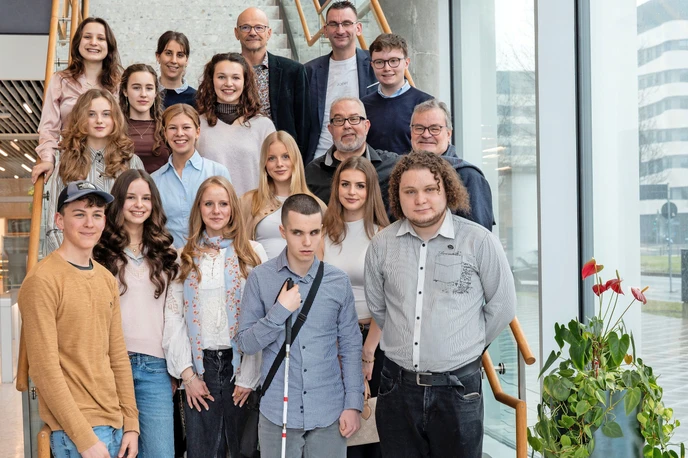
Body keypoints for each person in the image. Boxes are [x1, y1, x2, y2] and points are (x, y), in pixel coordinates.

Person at [364, 152, 516, 458]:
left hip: (458, 390)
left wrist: (465, 344)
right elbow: (379, 308)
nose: (420, 199)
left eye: (430, 189)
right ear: (397, 196)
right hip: (396, 389)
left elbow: (502, 306)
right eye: (410, 191)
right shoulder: (381, 245)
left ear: (447, 189)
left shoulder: (479, 241)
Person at [19, 180, 139, 457]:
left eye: (97, 215)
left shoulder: (106, 279)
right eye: (79, 214)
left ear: (104, 222)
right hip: (77, 433)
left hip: (116, 425)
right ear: (59, 220)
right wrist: (84, 439)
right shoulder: (42, 281)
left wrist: (131, 423)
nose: (89, 223)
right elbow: (45, 371)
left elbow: (117, 356)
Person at [238, 193, 363, 458]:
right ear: (283, 232)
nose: (307, 242)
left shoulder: (337, 281)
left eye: (314, 232)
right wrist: (279, 312)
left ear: (322, 231)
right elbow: (246, 343)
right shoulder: (260, 278)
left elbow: (351, 347)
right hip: (278, 413)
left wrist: (353, 404)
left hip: (328, 412)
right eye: (297, 233)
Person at [163, 176, 266, 458]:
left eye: (223, 204)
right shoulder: (184, 257)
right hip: (201, 369)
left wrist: (249, 376)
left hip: (241, 364)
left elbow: (262, 318)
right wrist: (188, 375)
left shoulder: (252, 253)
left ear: (233, 208)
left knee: (244, 451)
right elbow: (173, 318)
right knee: (203, 452)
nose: (216, 210)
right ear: (199, 208)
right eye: (209, 204)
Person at [93, 169, 178, 457]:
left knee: (160, 452)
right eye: (131, 197)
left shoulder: (167, 252)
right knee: (119, 452)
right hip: (111, 366)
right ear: (118, 201)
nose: (139, 204)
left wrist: (175, 367)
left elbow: (174, 315)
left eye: (146, 198)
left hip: (155, 368)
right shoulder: (99, 251)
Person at [318, 157, 389, 458]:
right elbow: (317, 293)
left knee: (373, 433)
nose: (351, 192)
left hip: (375, 339)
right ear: (336, 187)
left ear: (370, 190)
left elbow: (387, 300)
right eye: (345, 184)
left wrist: (367, 351)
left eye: (360, 186)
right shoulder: (322, 233)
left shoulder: (383, 235)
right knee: (339, 431)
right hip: (332, 340)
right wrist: (337, 345)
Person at [44, 88, 145, 254]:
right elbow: (53, 226)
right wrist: (74, 262)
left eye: (106, 114)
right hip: (77, 260)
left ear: (115, 119)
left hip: (123, 256)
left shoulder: (132, 162)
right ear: (81, 119)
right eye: (91, 114)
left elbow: (141, 218)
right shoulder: (66, 164)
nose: (99, 120)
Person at [32, 17, 122, 183]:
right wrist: (47, 159)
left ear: (109, 45)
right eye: (87, 37)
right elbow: (48, 127)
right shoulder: (60, 80)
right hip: (72, 165)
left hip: (110, 165)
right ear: (78, 42)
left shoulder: (119, 84)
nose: (93, 42)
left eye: (101, 38)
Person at [305, 0, 378, 162]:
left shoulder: (375, 65)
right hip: (320, 162)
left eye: (346, 23)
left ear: (358, 28)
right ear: (325, 30)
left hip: (364, 161)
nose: (340, 30)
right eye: (333, 24)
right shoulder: (309, 71)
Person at [151, 103, 232, 248]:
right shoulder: (155, 180)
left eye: (186, 127)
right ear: (165, 133)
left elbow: (231, 220)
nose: (179, 133)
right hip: (171, 258)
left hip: (213, 255)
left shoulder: (217, 172)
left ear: (197, 132)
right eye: (173, 128)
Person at [234, 7, 310, 158]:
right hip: (239, 153)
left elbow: (304, 123)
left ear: (268, 33)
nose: (253, 32)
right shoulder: (226, 71)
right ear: (237, 33)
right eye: (246, 27)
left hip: (281, 157)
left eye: (259, 27)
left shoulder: (293, 71)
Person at [196, 52, 276, 196]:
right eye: (221, 77)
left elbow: (274, 174)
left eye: (236, 77)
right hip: (212, 207)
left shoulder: (263, 126)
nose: (228, 83)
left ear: (245, 82)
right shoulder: (197, 125)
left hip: (253, 207)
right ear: (211, 80)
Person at [240, 131, 326, 259]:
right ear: (264, 163)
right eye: (271, 158)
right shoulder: (248, 202)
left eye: (286, 156)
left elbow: (325, 254)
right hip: (258, 271)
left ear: (295, 159)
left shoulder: (317, 205)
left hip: (304, 272)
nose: (279, 164)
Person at [410, 99, 494, 229]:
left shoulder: (468, 176)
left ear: (448, 134)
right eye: (419, 128)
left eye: (435, 129)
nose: (426, 134)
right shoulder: (401, 174)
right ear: (411, 132)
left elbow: (479, 234)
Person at [305, 97, 398, 211]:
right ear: (330, 129)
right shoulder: (313, 173)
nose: (347, 126)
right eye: (339, 120)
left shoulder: (391, 167)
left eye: (354, 119)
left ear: (366, 126)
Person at [361, 33, 432, 155]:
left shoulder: (426, 104)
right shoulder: (362, 106)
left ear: (406, 63)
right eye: (379, 62)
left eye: (393, 61)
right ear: (372, 65)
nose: (387, 68)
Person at [119, 63, 170, 173]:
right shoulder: (115, 126)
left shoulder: (166, 124)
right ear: (125, 91)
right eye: (136, 88)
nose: (143, 94)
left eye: (149, 88)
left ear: (155, 92)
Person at [156, 31, 197, 108]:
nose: (174, 60)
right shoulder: (147, 95)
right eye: (168, 53)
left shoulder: (197, 99)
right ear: (158, 56)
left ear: (186, 60)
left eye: (180, 55)